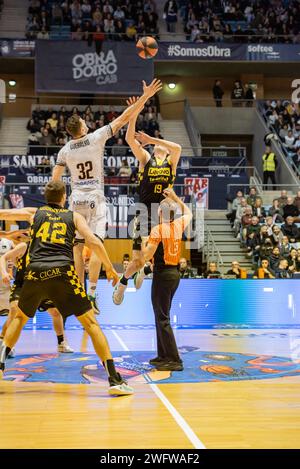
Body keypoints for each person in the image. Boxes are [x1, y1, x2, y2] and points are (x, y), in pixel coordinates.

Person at [0, 181, 133, 396]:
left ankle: (0, 365)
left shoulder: (35, 214)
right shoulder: (74, 216)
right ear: (64, 197)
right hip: (61, 271)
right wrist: (109, 268)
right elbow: (93, 241)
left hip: (34, 272)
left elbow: (6, 212)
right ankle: (114, 379)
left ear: (46, 197)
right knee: (90, 323)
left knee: (19, 318)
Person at [52, 79, 162, 314]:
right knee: (97, 244)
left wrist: (56, 203)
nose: (86, 123)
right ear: (82, 129)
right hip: (96, 199)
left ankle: (79, 293)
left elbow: (55, 180)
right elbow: (123, 118)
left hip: (75, 201)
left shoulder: (64, 151)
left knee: (78, 249)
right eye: (84, 122)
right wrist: (145, 97)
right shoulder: (95, 137)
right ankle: (92, 294)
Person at [113, 97, 181, 305]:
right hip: (144, 211)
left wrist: (153, 140)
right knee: (137, 259)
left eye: (162, 146)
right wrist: (134, 112)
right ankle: (124, 282)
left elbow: (177, 147)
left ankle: (146, 268)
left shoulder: (170, 161)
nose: (159, 148)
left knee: (152, 255)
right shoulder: (145, 159)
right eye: (155, 146)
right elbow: (129, 139)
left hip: (163, 213)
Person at [141, 188, 192, 371]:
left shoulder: (158, 230)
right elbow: (189, 212)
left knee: (162, 317)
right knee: (161, 315)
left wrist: (142, 247)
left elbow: (147, 255)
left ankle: (174, 360)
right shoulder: (178, 225)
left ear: (159, 212)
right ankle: (163, 355)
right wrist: (175, 197)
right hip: (174, 274)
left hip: (163, 275)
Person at [0, 240, 73, 354]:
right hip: (23, 286)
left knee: (56, 312)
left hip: (42, 286)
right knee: (14, 310)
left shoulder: (49, 247)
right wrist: (4, 273)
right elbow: (3, 258)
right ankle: (5, 343)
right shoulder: (24, 246)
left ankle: (61, 343)